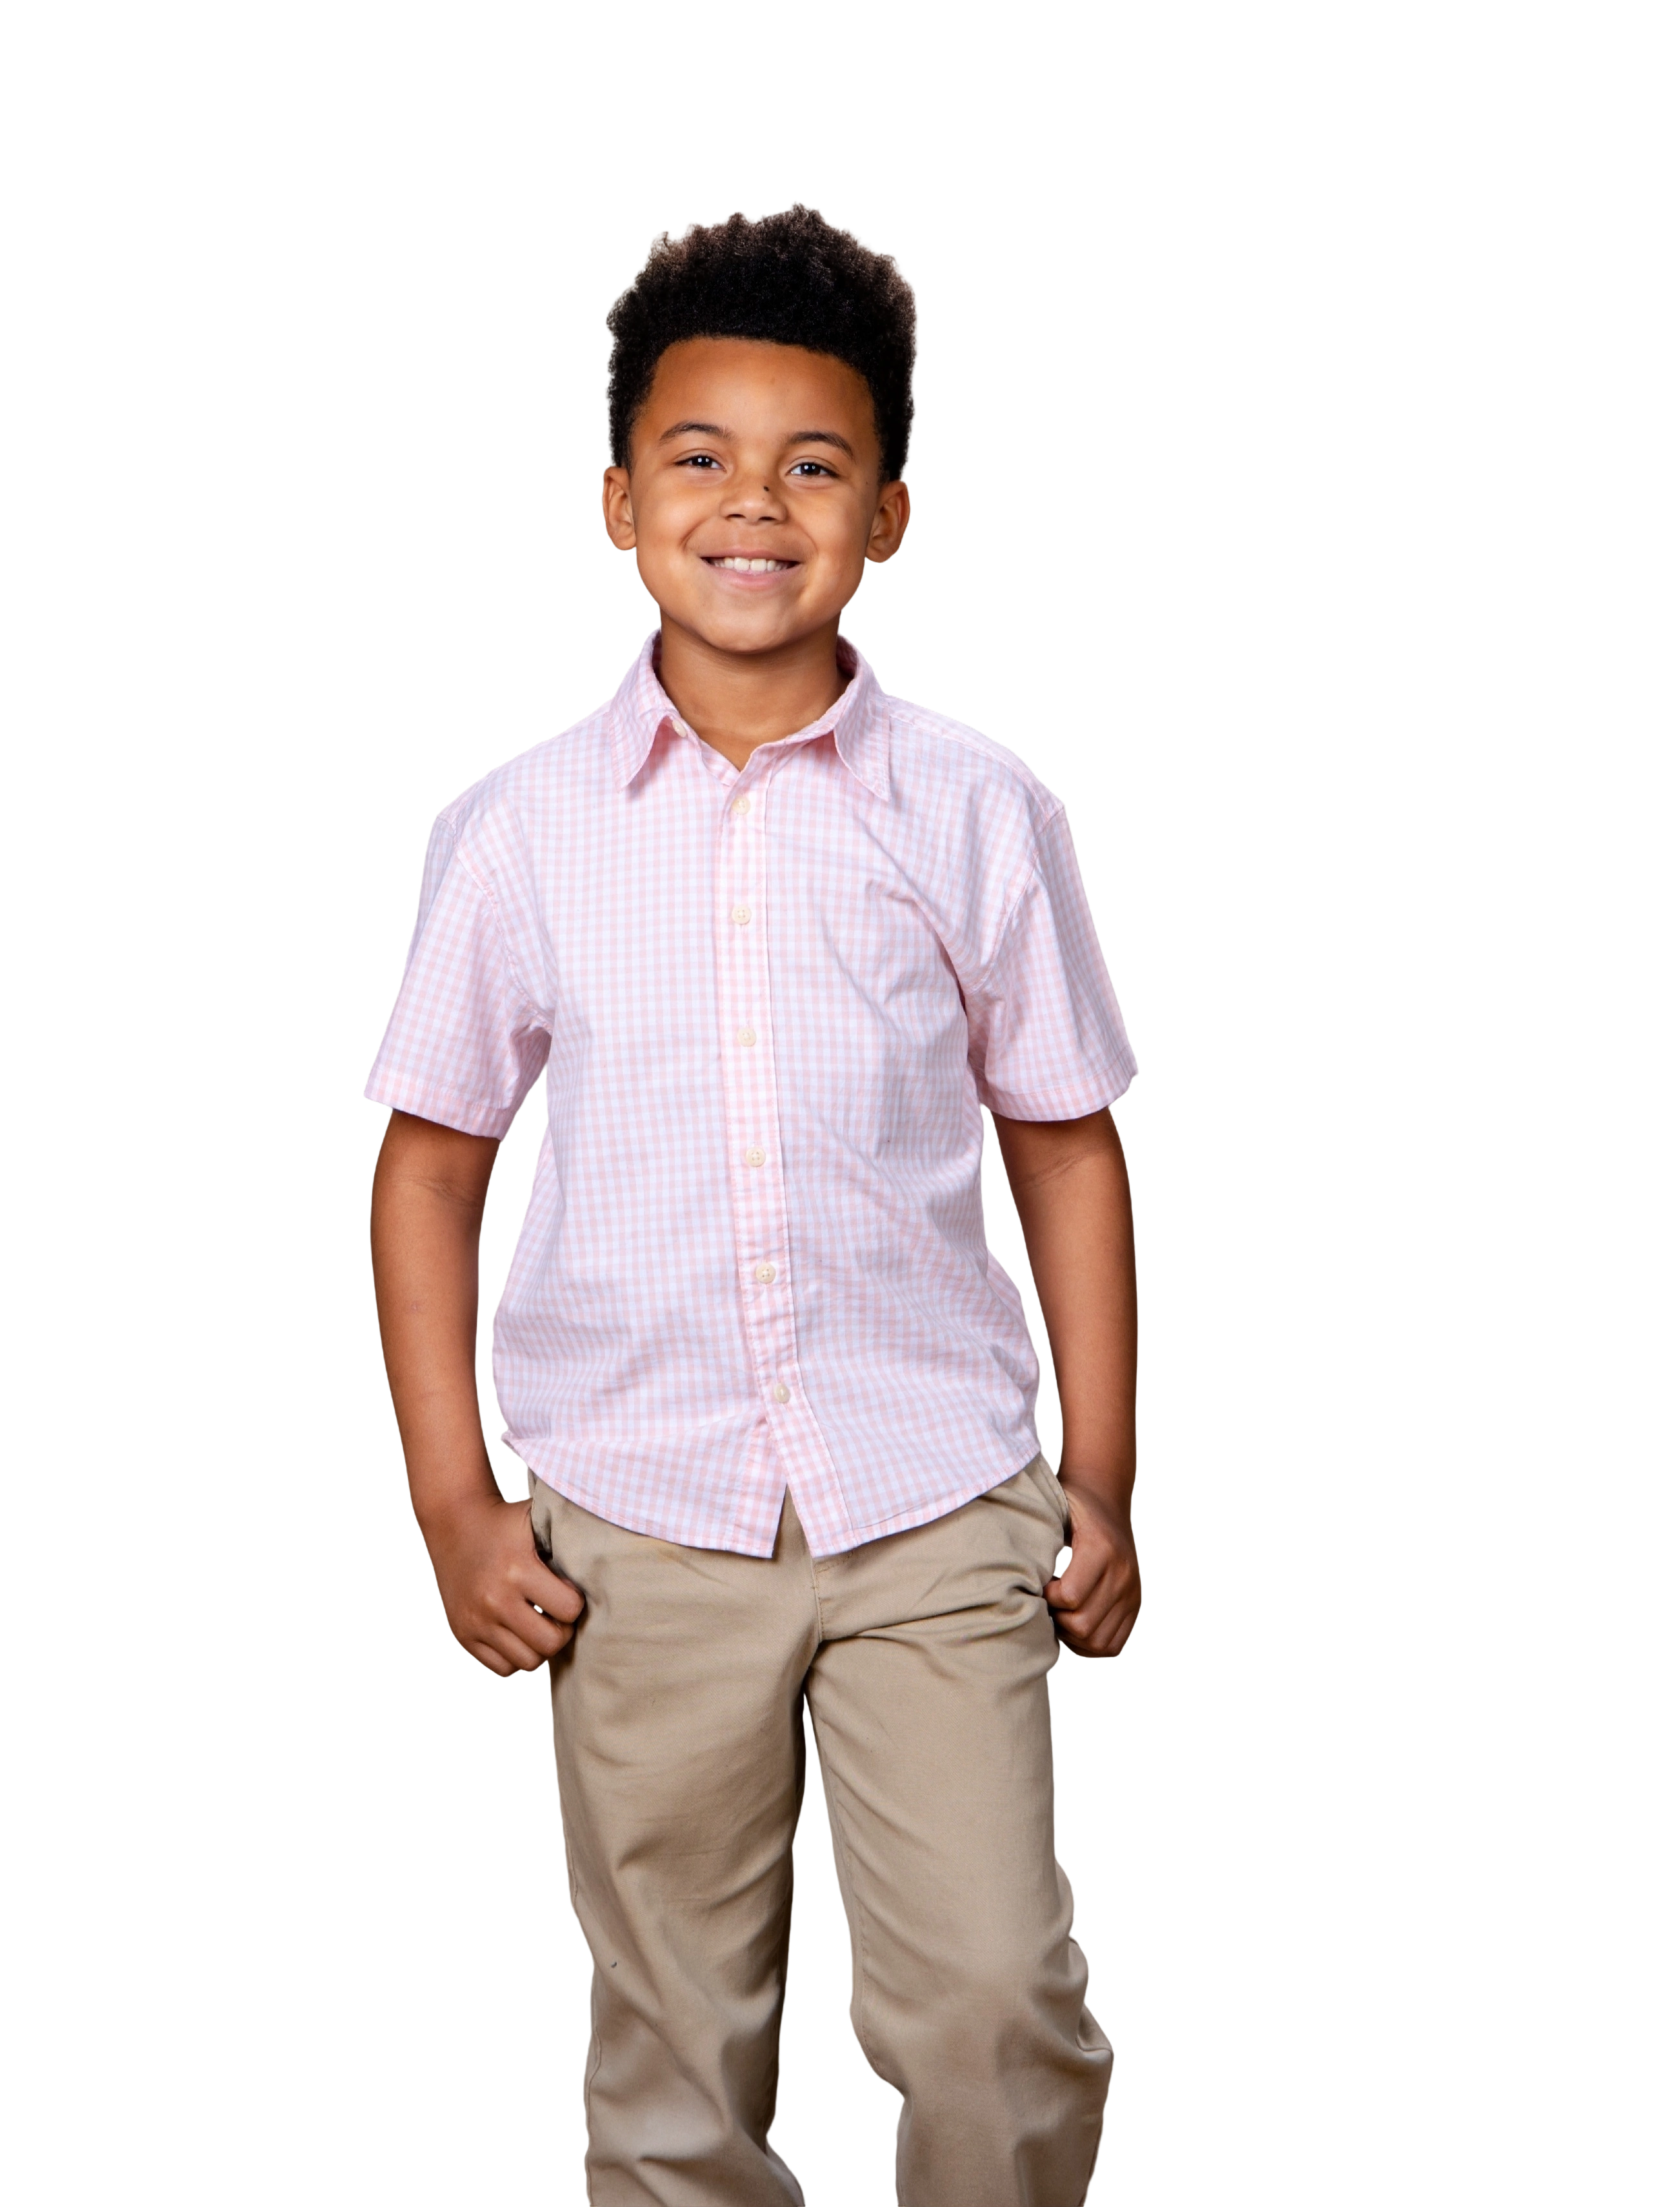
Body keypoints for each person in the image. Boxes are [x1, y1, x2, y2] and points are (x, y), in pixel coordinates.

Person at [363, 199, 1143, 2207]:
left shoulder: (981, 811)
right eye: (699, 456)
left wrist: (1105, 1479)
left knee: (994, 2001)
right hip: (634, 1520)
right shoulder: (516, 832)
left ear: (893, 515)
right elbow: (430, 1165)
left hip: (934, 1501)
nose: (754, 506)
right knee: (673, 2053)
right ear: (619, 501)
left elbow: (1065, 1142)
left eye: (815, 465)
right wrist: (456, 1502)